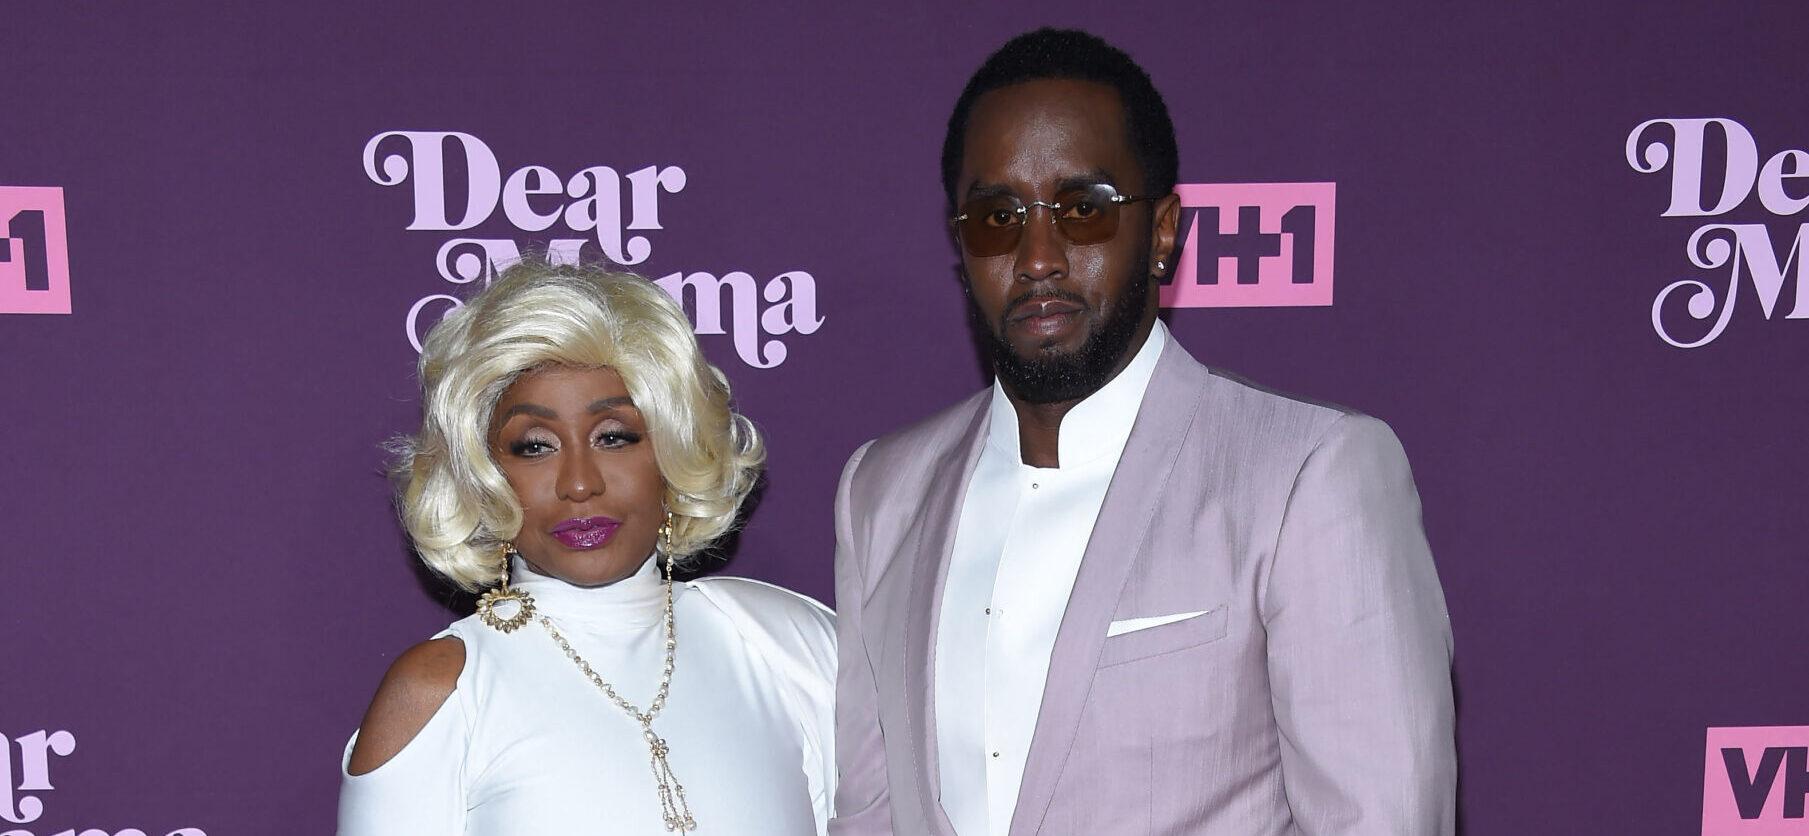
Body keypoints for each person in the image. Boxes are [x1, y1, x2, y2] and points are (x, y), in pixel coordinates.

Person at [829, 28, 1455, 835]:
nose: (1037, 255)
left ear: (1161, 231)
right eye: (996, 217)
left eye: (1082, 209)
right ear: (960, 244)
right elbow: (869, 813)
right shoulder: (879, 490)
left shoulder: (1306, 473)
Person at [338, 260, 836, 835]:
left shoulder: (784, 643)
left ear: (673, 450)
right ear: (482, 473)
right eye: (535, 446)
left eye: (614, 437)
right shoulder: (441, 692)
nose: (580, 482)